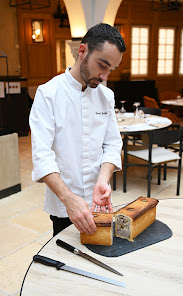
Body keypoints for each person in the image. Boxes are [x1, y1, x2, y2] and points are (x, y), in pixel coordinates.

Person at [29, 23, 126, 236]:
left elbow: (112, 144)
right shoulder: (48, 94)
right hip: (64, 205)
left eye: (111, 70)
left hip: (98, 201)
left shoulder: (106, 96)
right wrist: (68, 198)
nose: (104, 77)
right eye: (102, 65)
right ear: (82, 51)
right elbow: (42, 156)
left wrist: (103, 179)